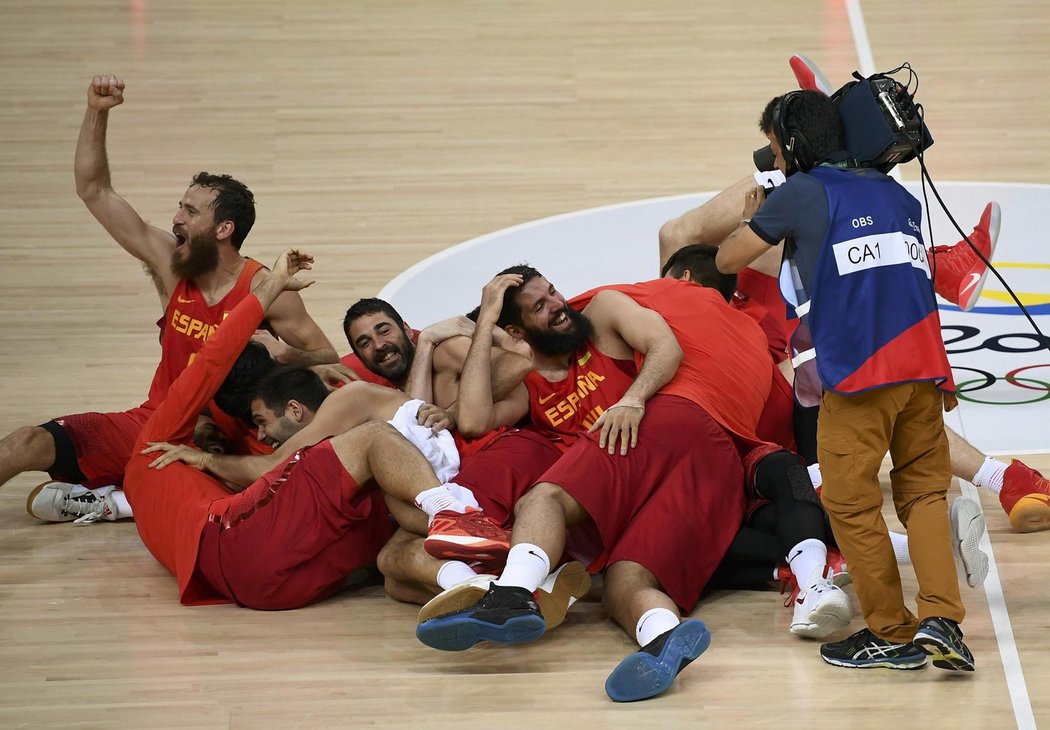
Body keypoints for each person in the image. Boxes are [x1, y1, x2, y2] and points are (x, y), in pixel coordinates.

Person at [417, 266, 790, 702]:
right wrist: (485, 321)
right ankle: (664, 638)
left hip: (662, 429)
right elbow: (474, 420)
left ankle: (514, 594)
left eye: (553, 292)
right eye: (540, 306)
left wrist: (633, 398)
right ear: (516, 331)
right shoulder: (529, 381)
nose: (558, 305)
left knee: (543, 499)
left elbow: (664, 346)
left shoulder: (601, 312)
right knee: (624, 585)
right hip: (682, 478)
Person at [12, 75, 348, 524]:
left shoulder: (263, 287)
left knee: (286, 489)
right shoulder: (172, 266)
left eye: (190, 211)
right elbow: (95, 191)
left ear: (224, 229)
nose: (176, 218)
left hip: (233, 432)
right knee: (25, 443)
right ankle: (128, 494)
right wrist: (97, 111)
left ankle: (121, 500)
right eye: (180, 207)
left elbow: (326, 353)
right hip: (161, 419)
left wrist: (281, 352)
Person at [716, 90, 973, 671]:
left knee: (852, 504)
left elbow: (730, 258)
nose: (776, 160)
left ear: (798, 147)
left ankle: (893, 633)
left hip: (859, 378)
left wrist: (762, 207)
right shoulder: (897, 194)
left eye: (778, 150)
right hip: (925, 372)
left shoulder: (804, 193)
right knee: (926, 494)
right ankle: (942, 619)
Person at [122, 248, 482, 609]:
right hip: (242, 542)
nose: (259, 434)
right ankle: (456, 519)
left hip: (266, 589)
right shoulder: (162, 440)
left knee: (392, 567)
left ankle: (483, 589)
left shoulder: (152, 467)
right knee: (372, 445)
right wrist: (273, 284)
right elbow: (218, 350)